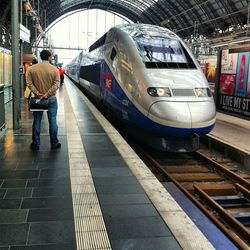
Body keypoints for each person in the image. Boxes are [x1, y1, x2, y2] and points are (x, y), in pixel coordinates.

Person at [26, 50, 61, 150]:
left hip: (38, 100)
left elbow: (29, 83)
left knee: (37, 121)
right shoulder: (55, 69)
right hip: (51, 99)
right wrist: (47, 94)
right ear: (49, 57)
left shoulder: (32, 69)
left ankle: (36, 144)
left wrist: (37, 93)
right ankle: (54, 143)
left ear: (41, 57)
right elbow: (57, 84)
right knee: (53, 121)